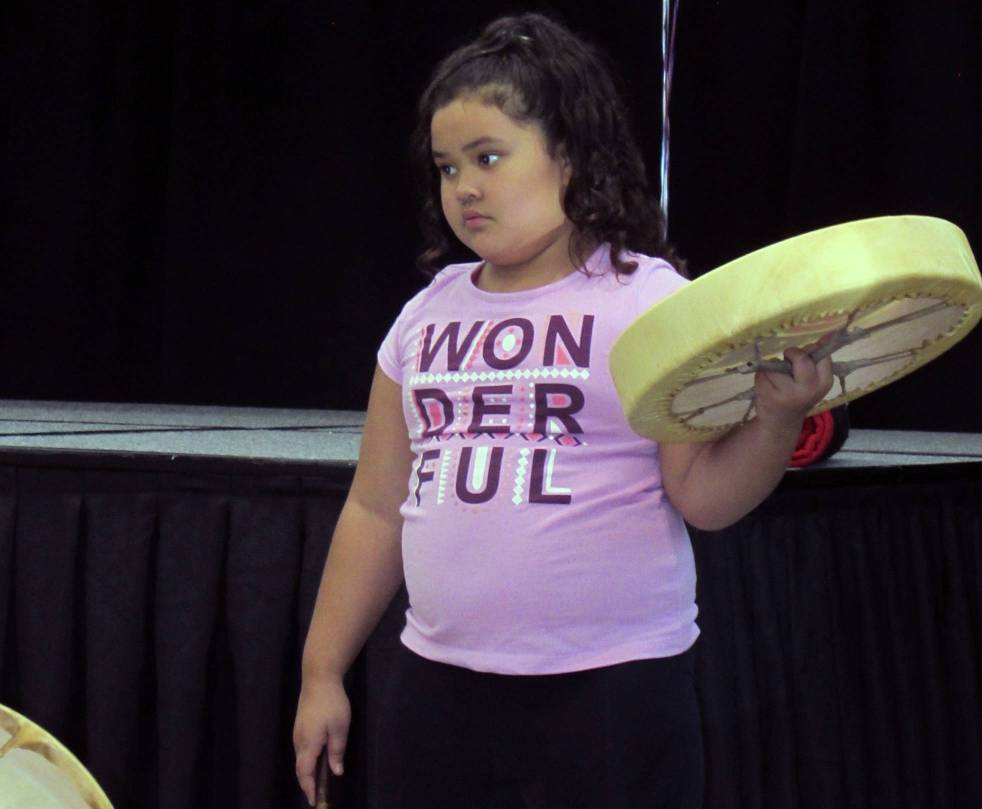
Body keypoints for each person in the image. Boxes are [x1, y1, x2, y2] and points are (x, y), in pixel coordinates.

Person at [293, 12, 833, 809]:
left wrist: (777, 421)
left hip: (612, 692)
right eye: (446, 168)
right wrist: (321, 671)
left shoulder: (647, 301)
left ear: (571, 157)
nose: (464, 187)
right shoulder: (423, 318)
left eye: (488, 157)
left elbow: (703, 497)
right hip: (437, 692)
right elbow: (375, 508)